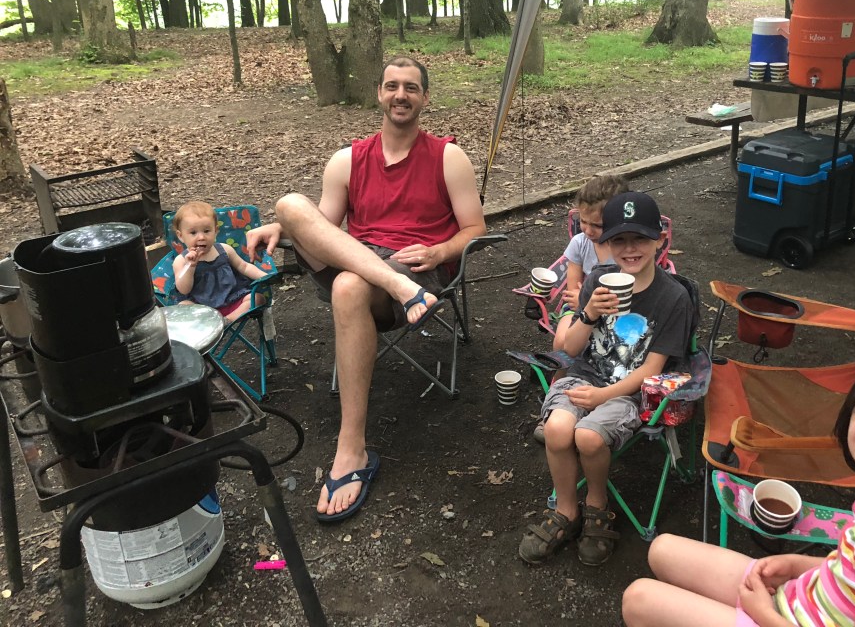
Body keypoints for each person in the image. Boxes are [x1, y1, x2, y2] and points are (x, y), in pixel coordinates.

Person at [245, 56, 487, 523]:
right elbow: (323, 226)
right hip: (376, 269)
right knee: (291, 205)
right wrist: (283, 225)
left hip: (416, 267)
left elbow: (475, 228)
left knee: (350, 286)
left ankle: (350, 450)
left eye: (412, 88)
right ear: (378, 93)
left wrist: (439, 252)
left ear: (425, 98)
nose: (401, 95)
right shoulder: (348, 159)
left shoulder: (448, 157)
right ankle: (392, 283)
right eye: (392, 86)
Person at [621, 363, 855, 627]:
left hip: (784, 619)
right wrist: (799, 563)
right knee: (662, 548)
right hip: (802, 598)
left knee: (638, 599)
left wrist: (764, 614)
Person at [519, 191, 695, 567]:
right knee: (556, 429)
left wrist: (603, 397)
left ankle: (597, 504)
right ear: (606, 243)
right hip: (582, 375)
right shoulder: (598, 279)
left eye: (640, 239)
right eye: (619, 240)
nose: (630, 249)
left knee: (588, 435)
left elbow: (652, 370)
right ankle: (566, 511)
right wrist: (588, 314)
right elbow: (571, 348)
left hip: (629, 392)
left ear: (659, 240)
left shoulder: (673, 297)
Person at [552, 174, 629, 352]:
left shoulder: (626, 250)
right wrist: (583, 301)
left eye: (597, 225)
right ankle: (559, 376)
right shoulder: (579, 243)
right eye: (583, 222)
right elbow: (573, 291)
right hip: (578, 305)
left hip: (618, 312)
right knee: (561, 342)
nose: (587, 230)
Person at [172, 201, 269, 323]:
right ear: (180, 236)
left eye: (207, 231)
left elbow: (243, 266)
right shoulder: (181, 261)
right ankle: (213, 323)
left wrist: (265, 277)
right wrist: (190, 267)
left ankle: (227, 321)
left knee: (257, 298)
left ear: (216, 231)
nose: (201, 237)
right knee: (183, 306)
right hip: (201, 309)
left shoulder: (224, 250)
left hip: (232, 299)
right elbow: (183, 290)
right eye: (193, 233)